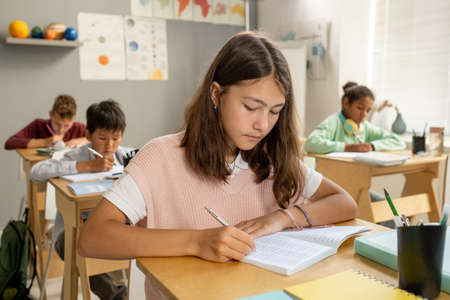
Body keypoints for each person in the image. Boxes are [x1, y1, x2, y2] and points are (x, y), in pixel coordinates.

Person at [78, 32, 358, 299]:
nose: (263, 124)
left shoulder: (272, 158)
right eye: (250, 107)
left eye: (275, 111)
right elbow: (92, 237)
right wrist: (196, 242)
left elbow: (344, 202)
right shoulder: (161, 157)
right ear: (216, 94)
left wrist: (281, 218)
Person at [30, 99, 130, 300]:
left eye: (116, 138)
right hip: (72, 231)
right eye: (102, 137)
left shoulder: (124, 156)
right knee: (77, 246)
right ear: (88, 135)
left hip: (112, 229)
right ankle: (117, 295)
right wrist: (84, 167)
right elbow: (36, 172)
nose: (110, 145)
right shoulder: (76, 155)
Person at [304, 82, 406, 154]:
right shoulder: (333, 122)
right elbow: (310, 144)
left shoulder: (364, 126)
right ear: (345, 103)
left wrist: (372, 146)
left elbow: (399, 142)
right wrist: (347, 147)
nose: (364, 115)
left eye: (368, 110)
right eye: (360, 108)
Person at [4, 94, 88, 150]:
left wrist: (84, 140)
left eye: (66, 126)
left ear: (74, 118)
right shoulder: (38, 125)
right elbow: (10, 143)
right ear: (50, 114)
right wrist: (44, 142)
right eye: (57, 124)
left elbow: (98, 139)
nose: (61, 130)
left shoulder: (79, 128)